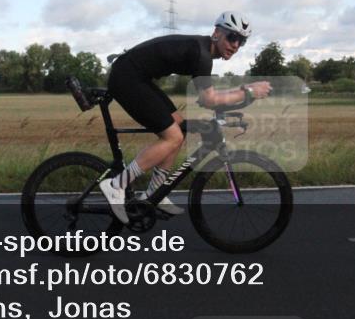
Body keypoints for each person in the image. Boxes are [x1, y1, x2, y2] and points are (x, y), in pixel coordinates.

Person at [99, 11, 272, 223]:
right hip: (127, 78)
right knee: (172, 137)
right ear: (217, 33)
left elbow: (207, 96)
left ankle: (154, 194)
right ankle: (116, 185)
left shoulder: (202, 52)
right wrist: (249, 92)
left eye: (241, 41)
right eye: (232, 37)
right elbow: (210, 100)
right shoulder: (201, 55)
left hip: (138, 77)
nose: (236, 45)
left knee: (178, 127)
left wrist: (243, 90)